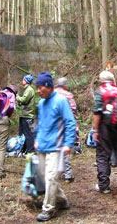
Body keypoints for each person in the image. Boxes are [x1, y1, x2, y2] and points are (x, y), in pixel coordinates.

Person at [34, 72, 76, 222]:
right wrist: (37, 139)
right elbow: (40, 124)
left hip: (56, 147)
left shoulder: (61, 101)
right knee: (46, 179)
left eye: (40, 87)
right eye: (37, 88)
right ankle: (62, 201)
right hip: (42, 146)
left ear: (48, 86)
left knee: (51, 178)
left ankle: (48, 209)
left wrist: (68, 143)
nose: (38, 90)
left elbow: (70, 123)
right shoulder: (41, 103)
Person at [55, 77, 76, 183]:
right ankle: (67, 175)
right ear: (65, 85)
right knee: (65, 147)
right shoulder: (68, 95)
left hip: (53, 125)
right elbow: (73, 110)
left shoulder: (52, 93)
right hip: (65, 124)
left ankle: (56, 173)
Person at [16, 74, 36, 154]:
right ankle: (23, 150)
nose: (22, 81)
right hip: (24, 115)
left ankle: (30, 151)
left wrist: (17, 96)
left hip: (27, 115)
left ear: (26, 81)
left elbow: (24, 100)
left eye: (23, 79)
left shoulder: (29, 90)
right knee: (22, 133)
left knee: (28, 134)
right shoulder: (27, 89)